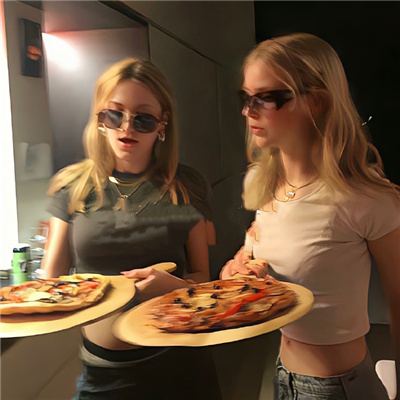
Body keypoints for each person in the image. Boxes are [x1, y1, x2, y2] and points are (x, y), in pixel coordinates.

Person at [220, 33, 400, 400]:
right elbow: (250, 261)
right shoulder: (261, 183)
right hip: (280, 376)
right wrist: (236, 272)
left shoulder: (365, 198)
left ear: (315, 101)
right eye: (246, 98)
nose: (248, 111)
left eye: (266, 98)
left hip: (339, 388)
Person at [41, 58, 221, 400]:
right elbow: (52, 281)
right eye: (115, 114)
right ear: (100, 119)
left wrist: (174, 287)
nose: (127, 127)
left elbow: (203, 278)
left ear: (162, 124)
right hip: (104, 375)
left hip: (181, 364)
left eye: (143, 118)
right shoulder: (72, 186)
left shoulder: (186, 186)